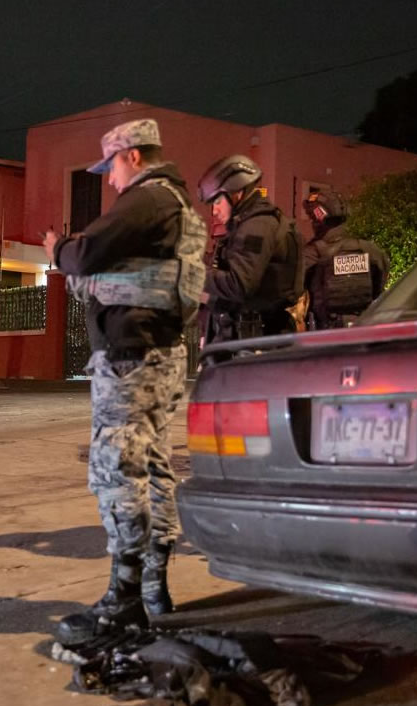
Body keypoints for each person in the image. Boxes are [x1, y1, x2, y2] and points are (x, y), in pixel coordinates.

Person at [42, 119, 206, 640]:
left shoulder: (149, 200)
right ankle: (153, 587)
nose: (109, 180)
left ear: (132, 156)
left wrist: (57, 249)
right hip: (160, 352)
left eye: (110, 167)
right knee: (154, 467)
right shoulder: (177, 206)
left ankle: (125, 598)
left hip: (133, 356)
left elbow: (87, 253)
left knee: (117, 469)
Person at [196, 155, 303, 344]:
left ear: (236, 193)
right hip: (248, 336)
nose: (214, 211)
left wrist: (192, 273)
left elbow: (239, 284)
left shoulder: (257, 226)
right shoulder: (249, 223)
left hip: (252, 339)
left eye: (218, 202)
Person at [301, 189, 387, 329]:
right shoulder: (370, 250)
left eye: (312, 218)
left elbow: (294, 289)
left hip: (326, 333)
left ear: (318, 220)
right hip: (363, 329)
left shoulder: (311, 254)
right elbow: (379, 285)